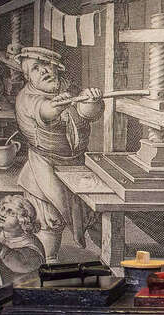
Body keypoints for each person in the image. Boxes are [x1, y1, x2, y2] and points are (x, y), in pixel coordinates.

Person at [14, 46, 102, 259]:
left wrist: (92, 101)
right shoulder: (27, 97)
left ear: (56, 67)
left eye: (46, 65)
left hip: (78, 165)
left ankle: (112, 258)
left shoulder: (69, 88)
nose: (43, 71)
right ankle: (49, 263)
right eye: (36, 68)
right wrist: (56, 106)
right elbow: (45, 112)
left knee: (93, 214)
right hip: (45, 167)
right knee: (49, 221)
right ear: (28, 77)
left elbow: (86, 114)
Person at [0, 194, 46, 285]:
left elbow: (21, 263)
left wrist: (1, 249)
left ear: (23, 221)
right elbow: (0, 240)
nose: (3, 214)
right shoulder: (6, 234)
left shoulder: (32, 245)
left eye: (11, 213)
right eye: (3, 209)